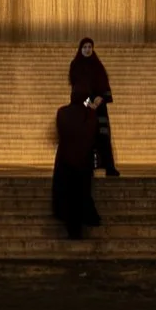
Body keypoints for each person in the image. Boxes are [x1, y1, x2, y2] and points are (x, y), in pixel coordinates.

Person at [51, 93, 103, 239]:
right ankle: (81, 225)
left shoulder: (62, 112)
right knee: (80, 194)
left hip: (66, 160)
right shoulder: (88, 114)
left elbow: (61, 131)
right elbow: (92, 133)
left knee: (69, 196)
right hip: (82, 162)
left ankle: (71, 227)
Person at [69, 36, 119, 176]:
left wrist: (101, 98)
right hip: (83, 107)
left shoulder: (98, 65)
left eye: (90, 47)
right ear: (80, 49)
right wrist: (88, 101)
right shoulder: (75, 65)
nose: (87, 49)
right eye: (84, 47)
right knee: (85, 139)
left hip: (99, 108)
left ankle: (109, 167)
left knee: (103, 136)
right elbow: (76, 90)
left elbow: (104, 85)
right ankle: (85, 168)